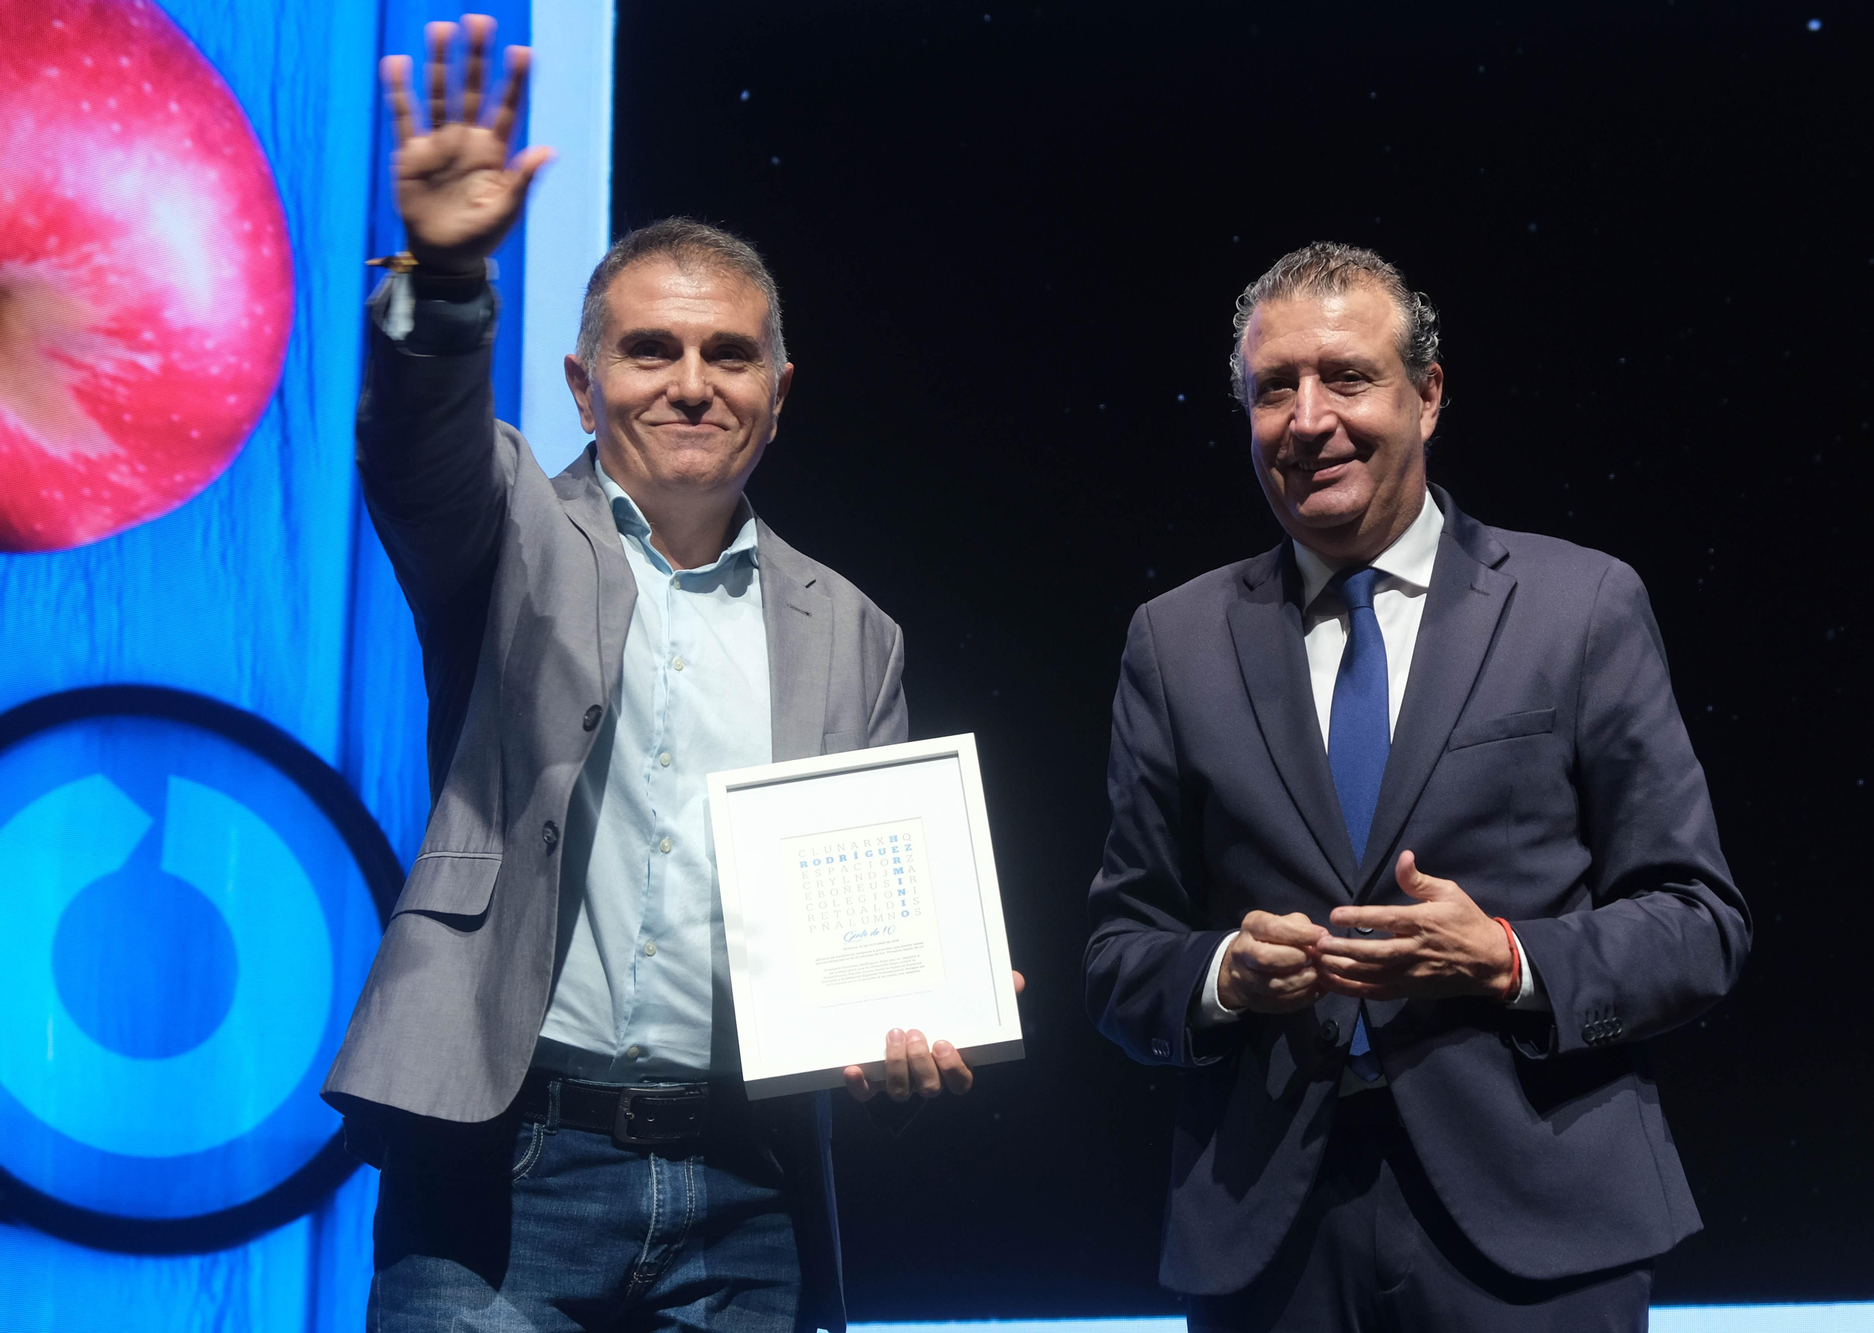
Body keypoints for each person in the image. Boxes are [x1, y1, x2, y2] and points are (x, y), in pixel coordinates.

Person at [322, 17, 1016, 1331]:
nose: (691, 383)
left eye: (729, 354)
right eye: (651, 351)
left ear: (778, 390)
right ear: (586, 386)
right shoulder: (506, 526)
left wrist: (910, 1016)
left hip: (745, 1186)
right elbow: (414, 443)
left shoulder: (851, 628)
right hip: (505, 1160)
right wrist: (451, 278)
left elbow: (855, 916)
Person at [1083, 242, 1750, 1330]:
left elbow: (1697, 923)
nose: (1306, 419)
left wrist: (1505, 957)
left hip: (1539, 1229)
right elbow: (1117, 957)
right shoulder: (1173, 641)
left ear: (1427, 394)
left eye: (1346, 377)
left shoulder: (1577, 606)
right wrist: (1221, 974)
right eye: (1272, 389)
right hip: (1268, 1242)